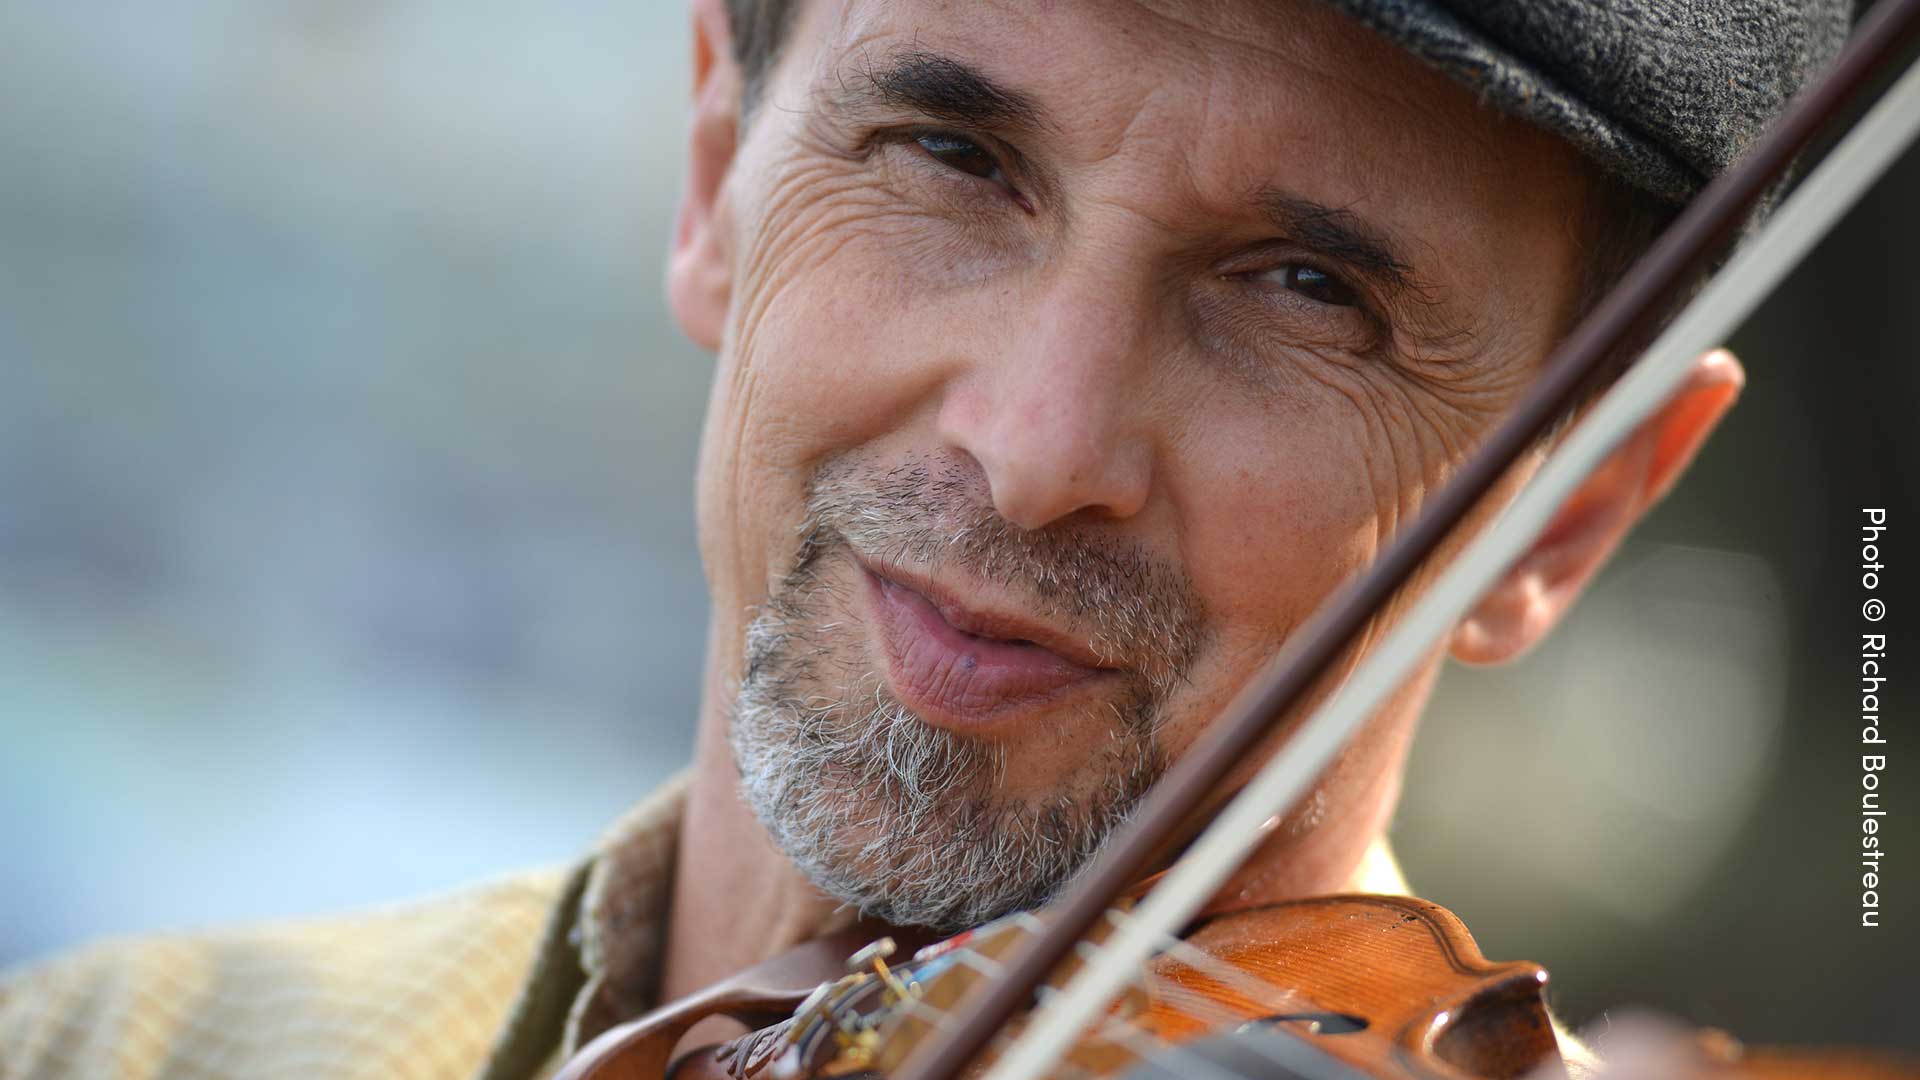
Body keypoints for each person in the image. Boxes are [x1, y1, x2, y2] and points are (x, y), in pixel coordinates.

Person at [0, 1, 1850, 1077]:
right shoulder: (109, 1049)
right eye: (953, 159)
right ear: (716, 174)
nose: (1037, 449)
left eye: (1305, 289)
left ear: (1569, 512)